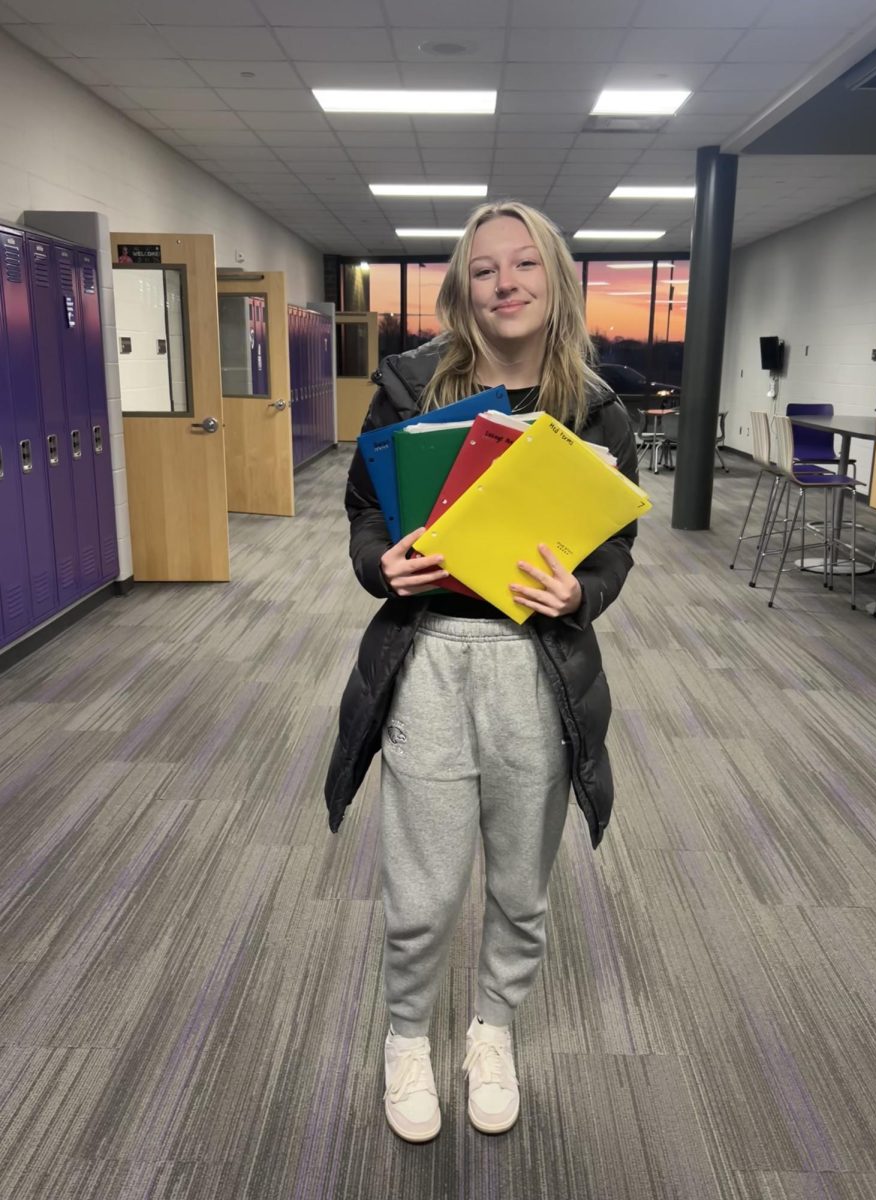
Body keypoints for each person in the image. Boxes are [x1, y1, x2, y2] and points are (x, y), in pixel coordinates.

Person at [324, 201, 639, 1143]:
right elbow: (364, 516)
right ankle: (407, 1041)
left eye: (525, 266)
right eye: (487, 269)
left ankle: (493, 1032)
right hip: (430, 655)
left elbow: (614, 546)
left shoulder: (595, 410)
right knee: (419, 891)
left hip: (536, 669)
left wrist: (578, 594)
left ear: (555, 281)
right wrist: (382, 565)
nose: (506, 284)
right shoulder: (411, 388)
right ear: (464, 287)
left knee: (519, 886)